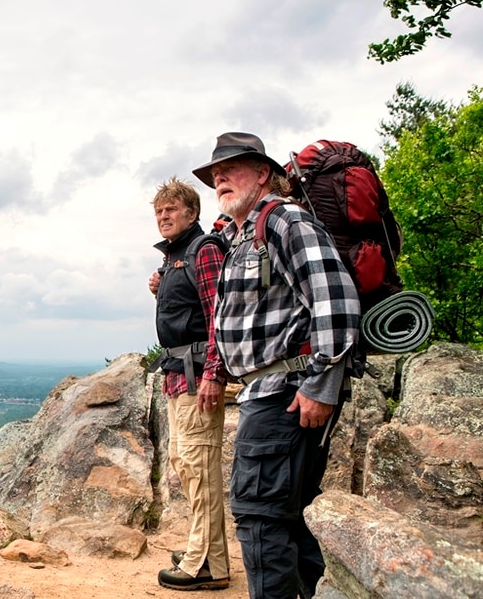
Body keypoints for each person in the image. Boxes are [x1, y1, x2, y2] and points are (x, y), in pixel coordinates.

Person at [191, 132, 360, 599]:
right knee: (289, 516)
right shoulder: (242, 235)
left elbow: (336, 302)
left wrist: (321, 385)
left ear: (263, 173)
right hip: (268, 392)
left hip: (285, 394)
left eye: (231, 169)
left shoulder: (286, 221)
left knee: (259, 517)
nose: (219, 178)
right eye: (214, 175)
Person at [148, 177, 231, 592]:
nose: (163, 216)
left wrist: (215, 373)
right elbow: (187, 313)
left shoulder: (204, 250)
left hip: (199, 375)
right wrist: (161, 290)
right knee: (186, 464)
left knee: (199, 469)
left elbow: (219, 316)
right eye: (159, 211)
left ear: (192, 213)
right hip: (179, 374)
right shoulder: (176, 258)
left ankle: (204, 565)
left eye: (171, 209)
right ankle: (211, 557)